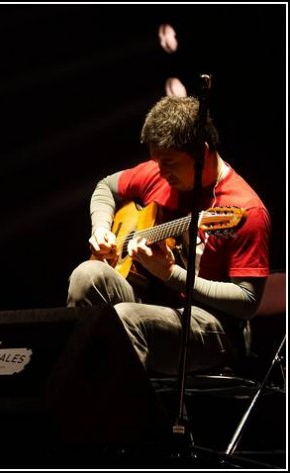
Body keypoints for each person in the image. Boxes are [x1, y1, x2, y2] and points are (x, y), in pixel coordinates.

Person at [67, 95, 271, 376]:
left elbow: (247, 303)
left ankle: (123, 415)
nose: (161, 173)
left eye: (170, 164)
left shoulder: (245, 208)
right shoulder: (160, 172)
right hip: (156, 303)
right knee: (85, 275)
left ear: (202, 153)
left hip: (214, 327)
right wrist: (101, 228)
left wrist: (170, 274)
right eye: (157, 162)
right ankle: (76, 391)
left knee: (127, 318)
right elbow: (106, 187)